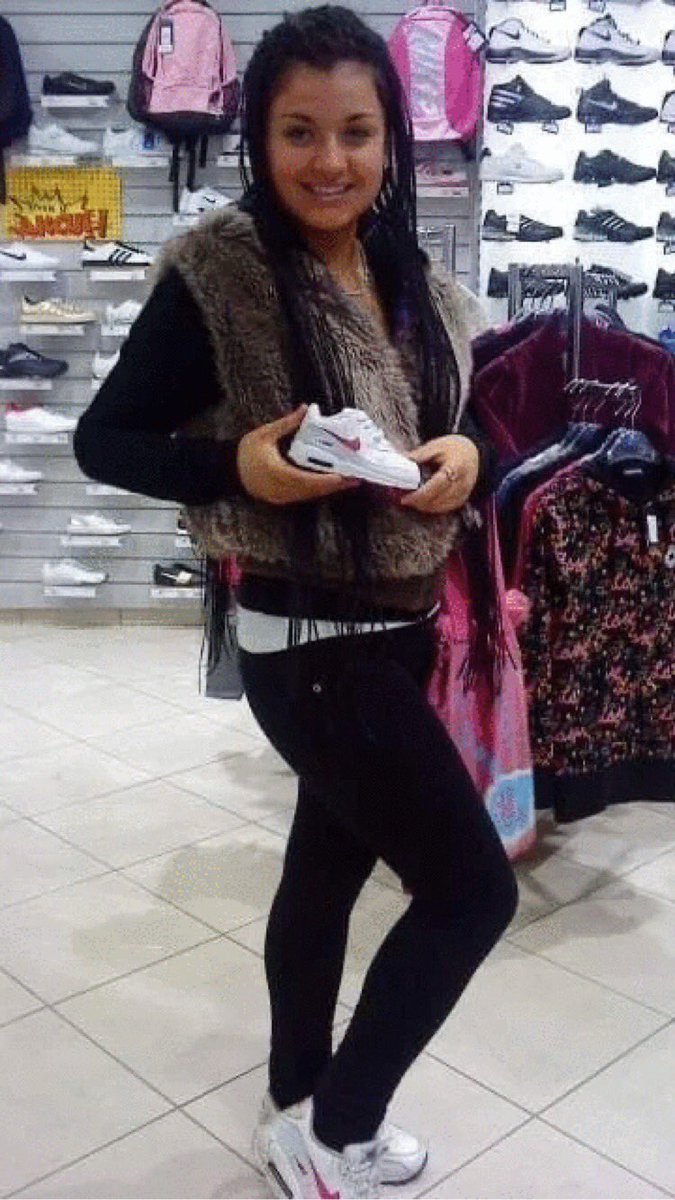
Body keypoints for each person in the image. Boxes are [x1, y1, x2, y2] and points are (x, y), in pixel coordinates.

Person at [74, 7, 518, 1197]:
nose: (330, 161)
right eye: (299, 132)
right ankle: (335, 1136)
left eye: (356, 132)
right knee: (472, 893)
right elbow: (104, 440)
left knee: (325, 874)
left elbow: (461, 423)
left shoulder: (406, 269)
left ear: (392, 139)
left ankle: (293, 1100)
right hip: (315, 644)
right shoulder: (222, 275)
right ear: (258, 137)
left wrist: (468, 453)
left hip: (398, 631)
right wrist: (238, 467)